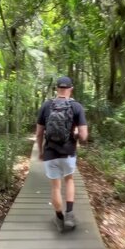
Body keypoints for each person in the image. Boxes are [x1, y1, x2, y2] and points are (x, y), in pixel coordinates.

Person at [36, 76, 88, 232]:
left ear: (57, 89)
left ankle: (59, 219)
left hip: (50, 153)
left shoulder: (46, 106)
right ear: (71, 89)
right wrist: (77, 135)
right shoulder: (77, 107)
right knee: (69, 180)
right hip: (69, 152)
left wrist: (40, 152)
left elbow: (39, 133)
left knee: (55, 188)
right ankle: (70, 214)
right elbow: (84, 136)